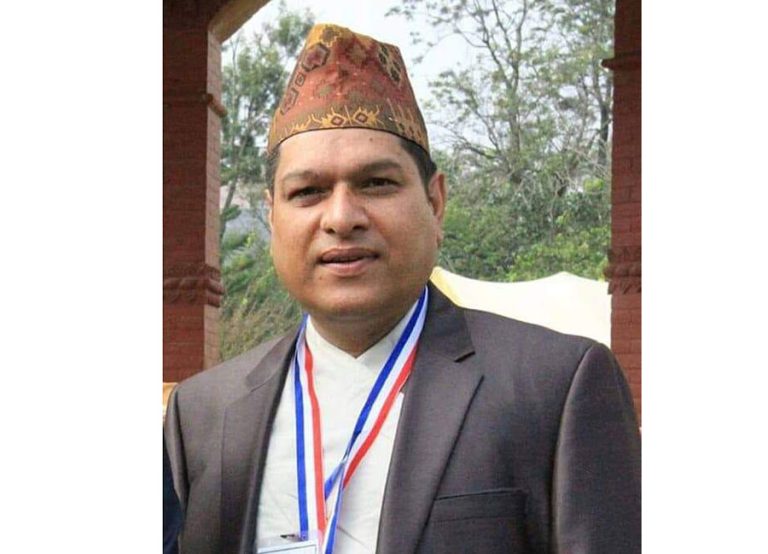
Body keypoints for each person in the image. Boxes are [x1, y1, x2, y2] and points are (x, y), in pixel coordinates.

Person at [164, 23, 640, 554]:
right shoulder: (203, 413)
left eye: (376, 183)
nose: (341, 218)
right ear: (273, 215)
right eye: (308, 191)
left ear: (435, 203)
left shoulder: (554, 388)